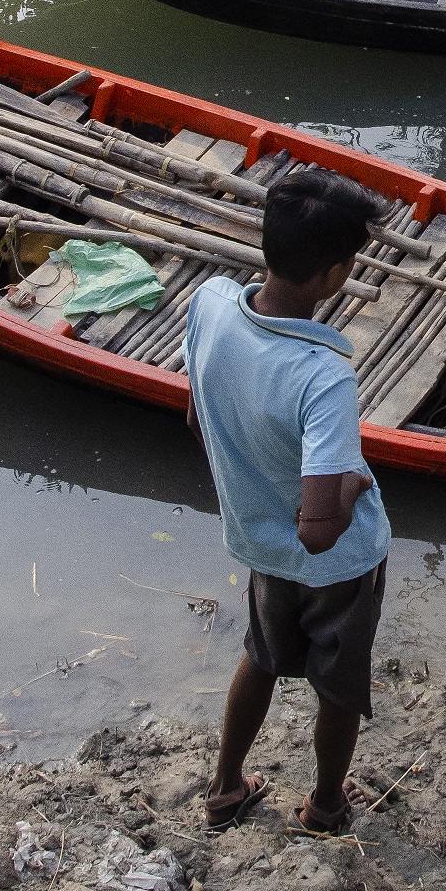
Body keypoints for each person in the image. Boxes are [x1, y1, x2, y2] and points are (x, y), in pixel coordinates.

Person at [184, 165, 393, 834]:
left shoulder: (211, 302)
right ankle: (326, 805)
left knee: (263, 653)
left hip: (260, 544)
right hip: (337, 568)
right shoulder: (323, 374)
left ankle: (225, 788)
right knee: (337, 686)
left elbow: (197, 418)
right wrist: (357, 481)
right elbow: (320, 532)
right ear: (336, 273)